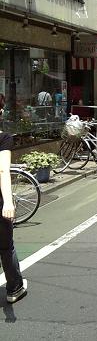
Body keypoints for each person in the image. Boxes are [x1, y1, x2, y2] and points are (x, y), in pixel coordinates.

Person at [0, 94, 28, 303]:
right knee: (5, 246)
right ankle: (14, 288)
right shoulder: (3, 138)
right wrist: (8, 202)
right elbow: (3, 170)